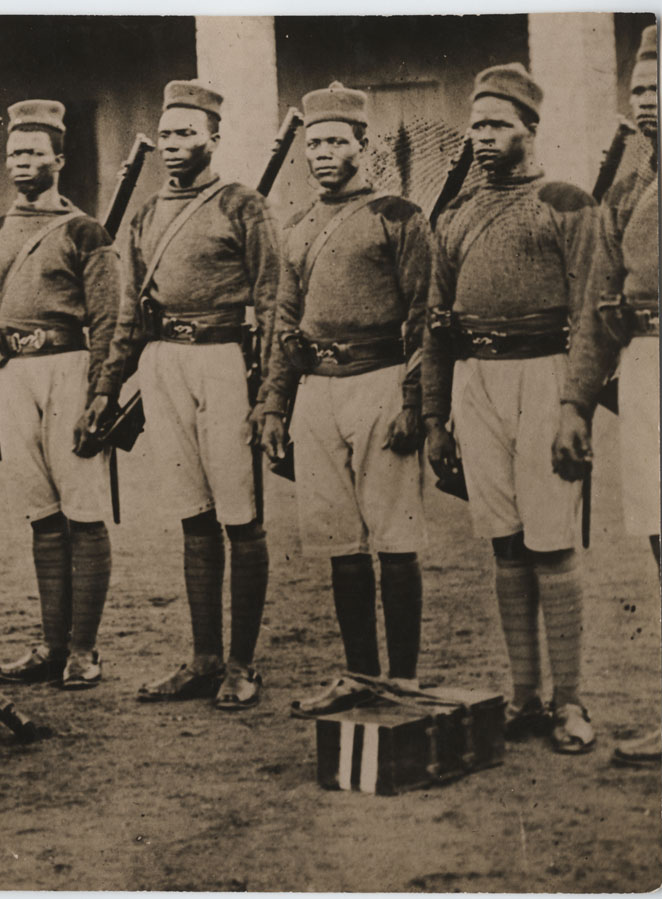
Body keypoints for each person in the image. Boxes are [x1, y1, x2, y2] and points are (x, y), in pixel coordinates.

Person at [422, 64, 601, 753]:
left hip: (545, 375)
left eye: (498, 124)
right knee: (504, 541)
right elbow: (436, 323)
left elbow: (589, 313)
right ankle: (524, 696)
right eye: (476, 126)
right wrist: (435, 416)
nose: (484, 136)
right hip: (476, 382)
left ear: (530, 127)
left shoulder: (567, 203)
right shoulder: (455, 215)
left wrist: (574, 405)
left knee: (550, 540)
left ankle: (569, 699)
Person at [100, 80, 279, 710]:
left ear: (213, 138)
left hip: (225, 361)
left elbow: (272, 302)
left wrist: (271, 394)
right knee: (193, 514)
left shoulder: (244, 206)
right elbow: (129, 311)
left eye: (186, 133)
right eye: (166, 134)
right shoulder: (146, 213)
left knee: (240, 516)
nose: (174, 144)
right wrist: (106, 388)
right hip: (162, 363)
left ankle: (243, 664)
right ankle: (204, 658)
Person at [259, 83, 431, 716]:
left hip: (380, 381)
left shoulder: (399, 216)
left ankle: (403, 680)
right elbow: (284, 320)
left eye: (337, 141)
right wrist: (274, 404)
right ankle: (360, 674)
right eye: (315, 144)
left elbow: (423, 313)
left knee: (395, 535)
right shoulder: (296, 226)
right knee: (339, 541)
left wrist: (414, 400)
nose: (324, 154)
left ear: (364, 145)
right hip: (316, 391)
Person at [0, 100, 121, 690]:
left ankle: (84, 649)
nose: (21, 163)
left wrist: (102, 395)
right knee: (42, 515)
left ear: (59, 159)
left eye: (34, 152)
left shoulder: (85, 232)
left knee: (83, 510)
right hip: (11, 375)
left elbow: (108, 321)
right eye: (14, 154)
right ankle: (53, 645)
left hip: (68, 371)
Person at [554, 24, 661, 768]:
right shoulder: (626, 190)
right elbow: (598, 305)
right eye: (638, 90)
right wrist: (575, 404)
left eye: (660, 88)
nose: (646, 101)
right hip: (648, 364)